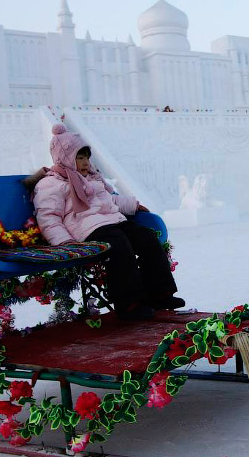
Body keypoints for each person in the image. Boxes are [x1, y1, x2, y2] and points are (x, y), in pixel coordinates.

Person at [33, 124, 183, 321]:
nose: (86, 163)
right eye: (80, 157)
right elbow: (48, 216)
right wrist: (63, 241)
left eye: (87, 157)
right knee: (119, 245)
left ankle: (160, 294)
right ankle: (130, 304)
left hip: (112, 221)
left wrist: (133, 205)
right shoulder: (52, 183)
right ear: (65, 157)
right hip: (85, 228)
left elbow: (110, 200)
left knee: (145, 237)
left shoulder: (92, 179)